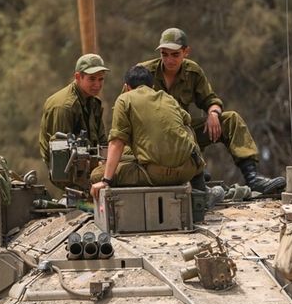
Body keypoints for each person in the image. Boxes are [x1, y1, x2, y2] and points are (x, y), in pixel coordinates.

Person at [138, 28, 286, 195]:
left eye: (175, 54)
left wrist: (213, 113)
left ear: (186, 52)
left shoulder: (193, 72)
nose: (169, 60)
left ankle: (252, 178)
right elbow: (125, 109)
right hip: (154, 140)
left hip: (184, 134)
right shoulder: (144, 73)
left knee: (230, 119)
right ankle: (194, 173)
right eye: (165, 54)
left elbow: (210, 100)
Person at [91, 65, 223, 206]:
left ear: (126, 87)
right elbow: (187, 119)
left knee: (97, 174)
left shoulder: (124, 100)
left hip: (156, 175)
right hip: (188, 169)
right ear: (152, 85)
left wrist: (106, 181)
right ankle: (201, 189)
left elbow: (117, 142)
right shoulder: (166, 97)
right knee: (186, 128)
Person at [39, 53, 110, 187]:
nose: (97, 84)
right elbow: (60, 157)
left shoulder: (93, 102)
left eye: (101, 79)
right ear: (78, 77)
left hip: (90, 168)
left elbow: (102, 142)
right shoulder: (64, 107)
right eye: (92, 79)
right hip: (69, 174)